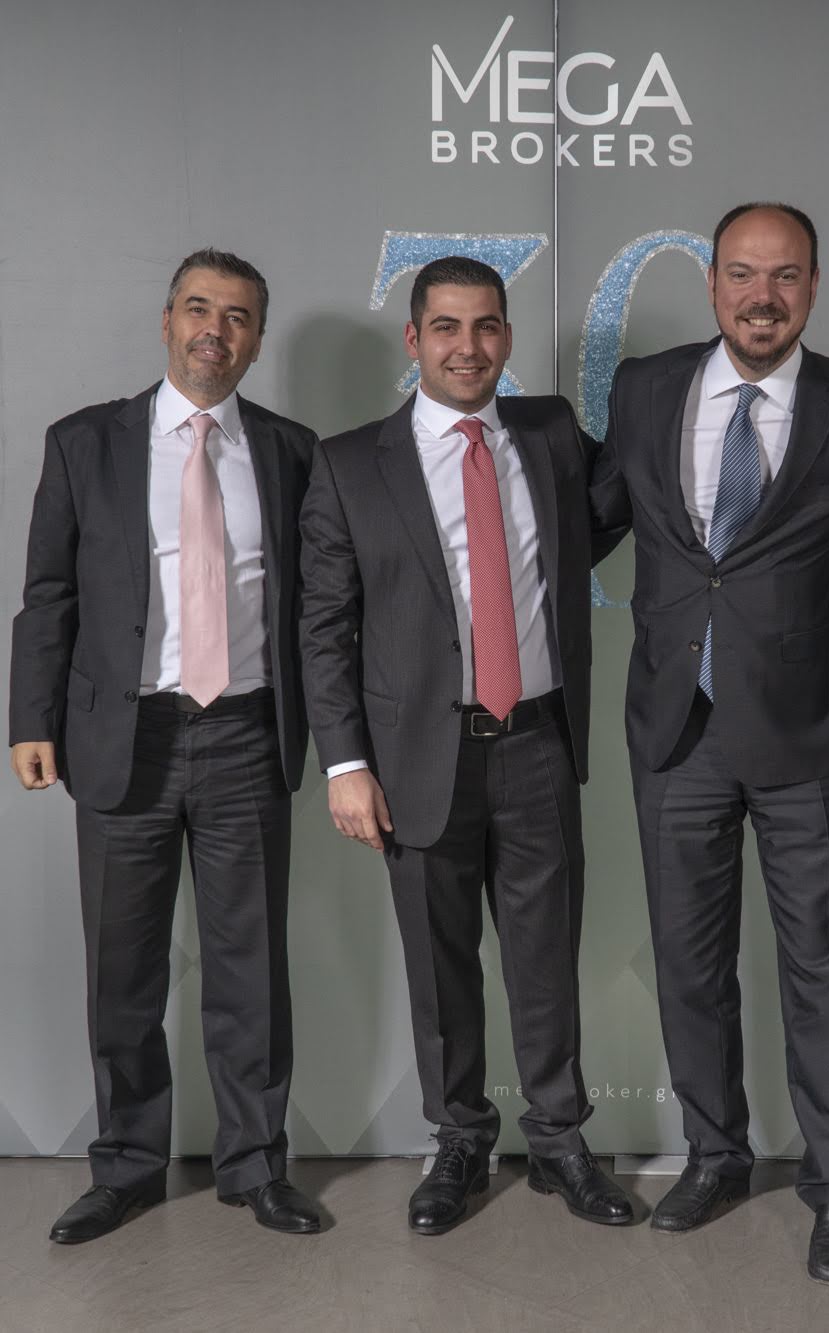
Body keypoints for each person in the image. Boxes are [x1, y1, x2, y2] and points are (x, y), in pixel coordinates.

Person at [299, 256, 634, 1234]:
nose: (467, 346)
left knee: (544, 957)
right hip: (415, 755)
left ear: (507, 338)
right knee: (439, 964)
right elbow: (323, 627)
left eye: (486, 326)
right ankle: (458, 1138)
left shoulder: (551, 434)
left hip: (535, 743)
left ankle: (559, 1140)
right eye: (445, 327)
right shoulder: (350, 463)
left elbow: (602, 518)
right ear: (413, 340)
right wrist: (346, 764)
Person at [595, 202, 829, 1284]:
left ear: (812, 285)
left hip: (804, 736)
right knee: (688, 963)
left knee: (818, 968)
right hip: (675, 731)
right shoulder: (644, 389)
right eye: (741, 273)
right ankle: (714, 1155)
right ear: (712, 281)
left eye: (784, 275)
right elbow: (589, 515)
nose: (761, 296)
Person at [8, 249, 321, 1243]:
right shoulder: (84, 443)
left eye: (236, 316)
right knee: (123, 972)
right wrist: (31, 718)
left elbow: (318, 606)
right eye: (197, 308)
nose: (213, 330)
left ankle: (256, 1166)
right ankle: (128, 1168)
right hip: (122, 736)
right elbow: (48, 593)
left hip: (245, 732)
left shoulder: (292, 451)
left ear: (256, 339)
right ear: (166, 320)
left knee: (250, 970)